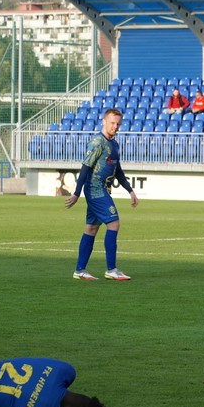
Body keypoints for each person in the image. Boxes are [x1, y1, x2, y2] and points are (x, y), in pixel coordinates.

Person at [65, 108, 138, 281]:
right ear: (104, 122)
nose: (115, 126)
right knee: (114, 223)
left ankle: (80, 270)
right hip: (95, 189)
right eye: (112, 123)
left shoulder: (114, 144)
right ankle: (111, 269)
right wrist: (76, 193)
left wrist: (130, 190)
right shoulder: (98, 142)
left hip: (103, 190)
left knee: (91, 228)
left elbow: (118, 171)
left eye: (118, 124)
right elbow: (85, 168)